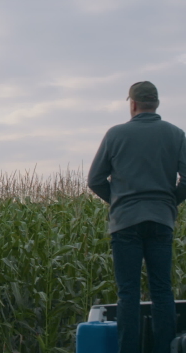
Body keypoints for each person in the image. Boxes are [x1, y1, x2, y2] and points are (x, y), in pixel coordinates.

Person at [88, 81, 186, 353]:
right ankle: (166, 349)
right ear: (156, 103)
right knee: (162, 290)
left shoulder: (116, 134)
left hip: (126, 223)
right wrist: (167, 203)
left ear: (132, 104)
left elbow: (95, 179)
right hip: (160, 221)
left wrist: (119, 201)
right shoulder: (176, 134)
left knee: (128, 293)